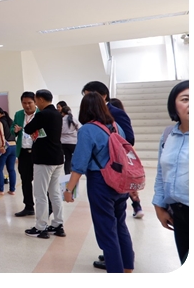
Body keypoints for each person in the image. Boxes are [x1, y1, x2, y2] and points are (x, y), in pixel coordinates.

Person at [64, 91, 134, 273]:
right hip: (121, 182)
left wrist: (69, 189)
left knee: (106, 230)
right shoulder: (117, 126)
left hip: (101, 183)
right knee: (120, 224)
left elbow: (79, 164)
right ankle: (127, 266)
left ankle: (115, 271)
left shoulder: (87, 130)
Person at [82, 81, 141, 270]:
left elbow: (128, 141)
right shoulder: (101, 122)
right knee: (117, 223)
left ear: (103, 95)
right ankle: (125, 263)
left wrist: (107, 146)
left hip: (109, 174)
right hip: (114, 176)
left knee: (108, 226)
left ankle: (116, 264)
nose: (87, 99)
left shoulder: (114, 114)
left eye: (89, 95)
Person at [153, 80, 188, 265]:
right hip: (178, 213)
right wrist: (159, 206)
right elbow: (161, 172)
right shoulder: (168, 135)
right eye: (185, 99)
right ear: (174, 105)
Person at [23, 89, 65, 239]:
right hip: (57, 158)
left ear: (40, 99)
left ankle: (41, 227)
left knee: (40, 194)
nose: (35, 104)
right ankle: (58, 224)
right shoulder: (57, 114)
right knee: (55, 193)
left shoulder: (43, 114)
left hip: (44, 159)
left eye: (35, 100)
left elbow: (28, 128)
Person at [12, 92, 39, 217]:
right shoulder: (18, 114)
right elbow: (12, 130)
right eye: (24, 103)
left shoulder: (40, 114)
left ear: (35, 102)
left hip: (38, 152)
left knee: (41, 181)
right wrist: (15, 130)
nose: (27, 105)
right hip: (23, 152)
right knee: (25, 181)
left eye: (29, 103)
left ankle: (44, 207)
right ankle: (28, 206)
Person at [0, 106, 16, 196]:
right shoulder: (11, 121)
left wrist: (2, 146)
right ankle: (12, 190)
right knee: (11, 169)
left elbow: (1, 135)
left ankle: (0, 189)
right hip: (14, 146)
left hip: (5, 147)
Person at [60, 105, 81, 175]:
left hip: (63, 143)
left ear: (63, 113)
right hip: (73, 142)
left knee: (67, 159)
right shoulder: (74, 119)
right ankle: (74, 173)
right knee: (74, 158)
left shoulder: (60, 120)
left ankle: (67, 174)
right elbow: (79, 129)